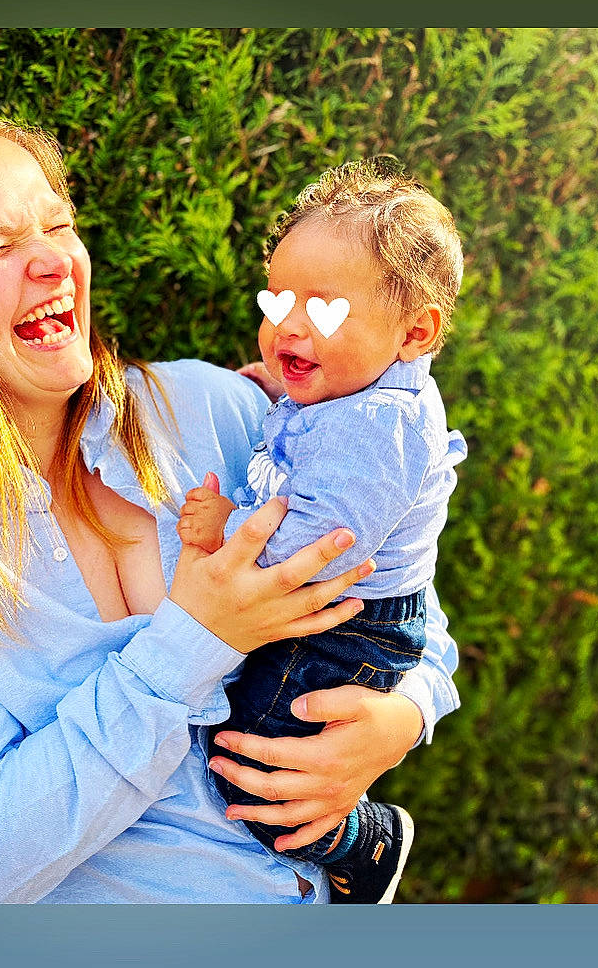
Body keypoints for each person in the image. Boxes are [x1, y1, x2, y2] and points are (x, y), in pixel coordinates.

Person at [0, 111, 461, 904]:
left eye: (59, 225)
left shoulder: (214, 408)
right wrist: (193, 642)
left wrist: (402, 719)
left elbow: (404, 605)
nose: (53, 260)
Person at [177, 157, 467, 903]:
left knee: (257, 773)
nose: (290, 326)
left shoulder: (380, 428)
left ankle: (366, 846)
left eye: (326, 311)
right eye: (279, 302)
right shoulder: (358, 389)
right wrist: (283, 388)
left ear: (415, 332)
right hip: (349, 614)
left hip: (352, 630)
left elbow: (316, 547)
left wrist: (227, 529)